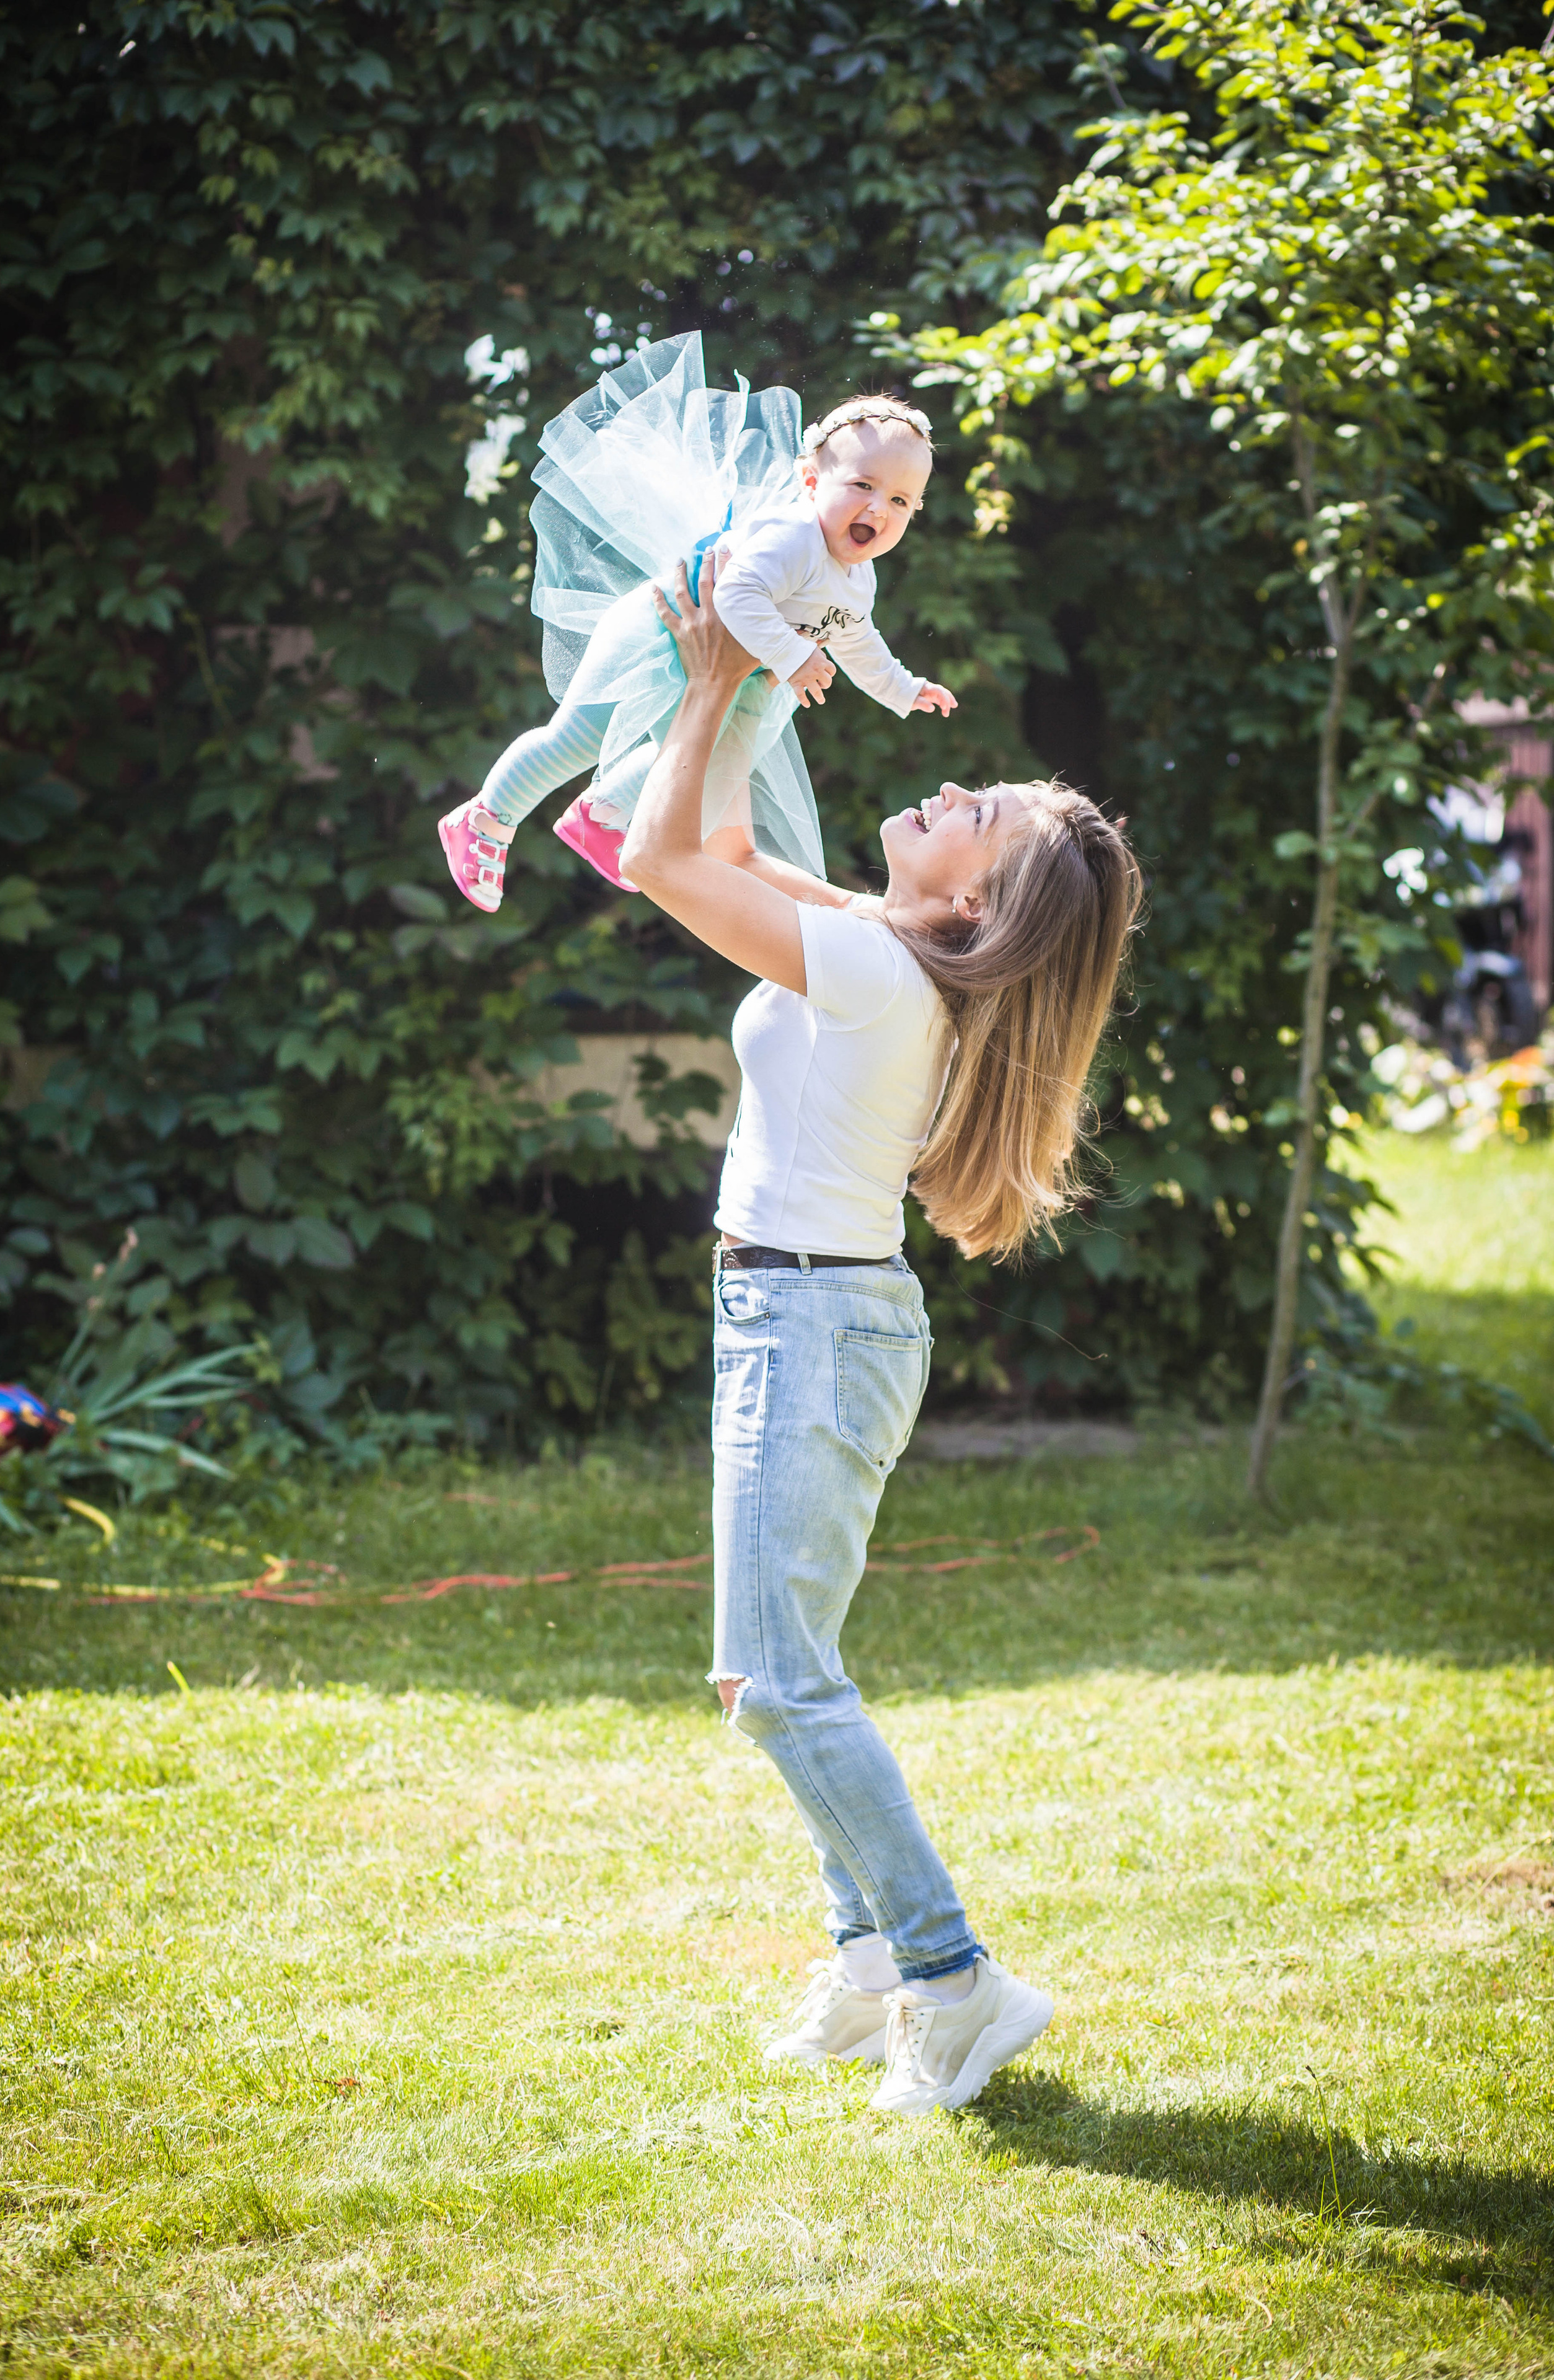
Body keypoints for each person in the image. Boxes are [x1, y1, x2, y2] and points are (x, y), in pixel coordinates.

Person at [620, 551, 1141, 2118]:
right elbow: (719, 840)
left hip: (813, 1322)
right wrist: (762, 671)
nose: (940, 785)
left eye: (969, 806)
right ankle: (864, 1969)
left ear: (973, 893)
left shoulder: (873, 967)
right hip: (795, 1313)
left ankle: (949, 1975)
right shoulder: (879, 940)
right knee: (762, 1674)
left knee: (781, 1680)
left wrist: (714, 678)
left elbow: (655, 859)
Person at [436, 332, 956, 915]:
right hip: (660, 637)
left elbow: (859, 641)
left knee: (704, 766)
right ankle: (484, 817)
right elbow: (735, 594)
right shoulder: (793, 538)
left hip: (729, 675)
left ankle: (601, 816)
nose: (879, 510)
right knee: (581, 737)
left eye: (902, 501)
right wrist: (791, 654)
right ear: (811, 482)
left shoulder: (858, 580)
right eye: (863, 486)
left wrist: (904, 688)